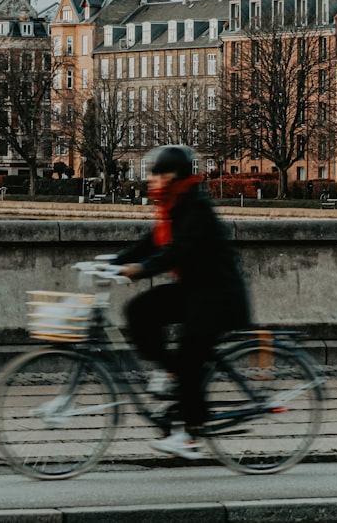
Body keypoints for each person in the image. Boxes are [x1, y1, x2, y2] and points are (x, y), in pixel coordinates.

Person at [115, 145, 251, 459]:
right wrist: (112, 262)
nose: (151, 180)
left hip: (218, 296)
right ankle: (171, 372)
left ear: (173, 177)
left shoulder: (196, 208)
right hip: (194, 289)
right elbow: (151, 243)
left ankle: (188, 435)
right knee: (139, 311)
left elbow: (179, 251)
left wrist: (141, 269)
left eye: (158, 174)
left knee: (191, 355)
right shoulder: (172, 206)